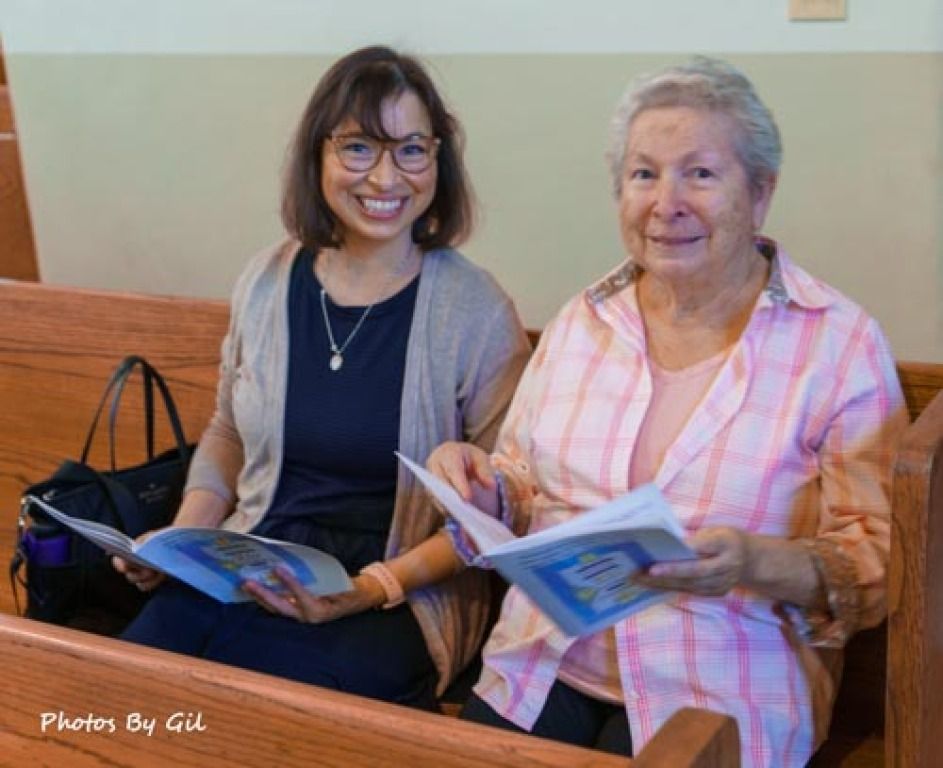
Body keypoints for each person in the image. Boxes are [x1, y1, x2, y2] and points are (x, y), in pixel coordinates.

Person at [426, 57, 908, 766]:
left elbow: (876, 562)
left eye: (700, 174)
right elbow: (524, 483)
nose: (665, 202)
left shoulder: (837, 344)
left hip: (720, 684)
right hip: (541, 661)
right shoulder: (583, 320)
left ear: (761, 191)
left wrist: (753, 561)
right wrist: (483, 489)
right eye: (643, 174)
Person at [114, 45, 531, 711]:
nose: (386, 176)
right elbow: (226, 431)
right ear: (319, 155)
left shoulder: (474, 311)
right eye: (359, 148)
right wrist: (179, 541)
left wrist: (371, 587)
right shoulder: (266, 280)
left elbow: (501, 505)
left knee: (251, 714)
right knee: (118, 690)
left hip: (393, 593)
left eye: (411, 149)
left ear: (437, 159)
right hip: (246, 563)